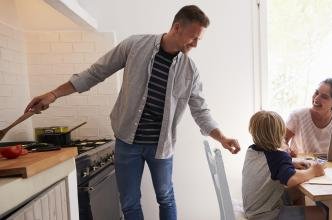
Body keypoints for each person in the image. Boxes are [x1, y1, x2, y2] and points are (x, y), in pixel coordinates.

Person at [24, 5, 240, 220]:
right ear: (176, 28)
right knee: (129, 203)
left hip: (161, 146)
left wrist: (221, 138)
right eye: (193, 38)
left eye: (198, 40)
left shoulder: (190, 71)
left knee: (165, 197)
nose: (195, 44)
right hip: (127, 141)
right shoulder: (135, 45)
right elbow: (95, 73)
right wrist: (53, 95)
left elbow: (201, 111)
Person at [242, 110, 326, 220]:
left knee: (297, 191)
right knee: (320, 213)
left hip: (253, 209)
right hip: (266, 215)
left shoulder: (251, 150)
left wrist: (292, 162)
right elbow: (291, 179)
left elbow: (267, 165)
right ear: (280, 133)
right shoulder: (278, 157)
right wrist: (313, 171)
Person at [284, 78, 332, 157]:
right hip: (302, 165)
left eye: (324, 97)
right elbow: (282, 140)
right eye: (316, 93)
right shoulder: (297, 116)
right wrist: (287, 150)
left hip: (329, 166)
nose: (316, 99)